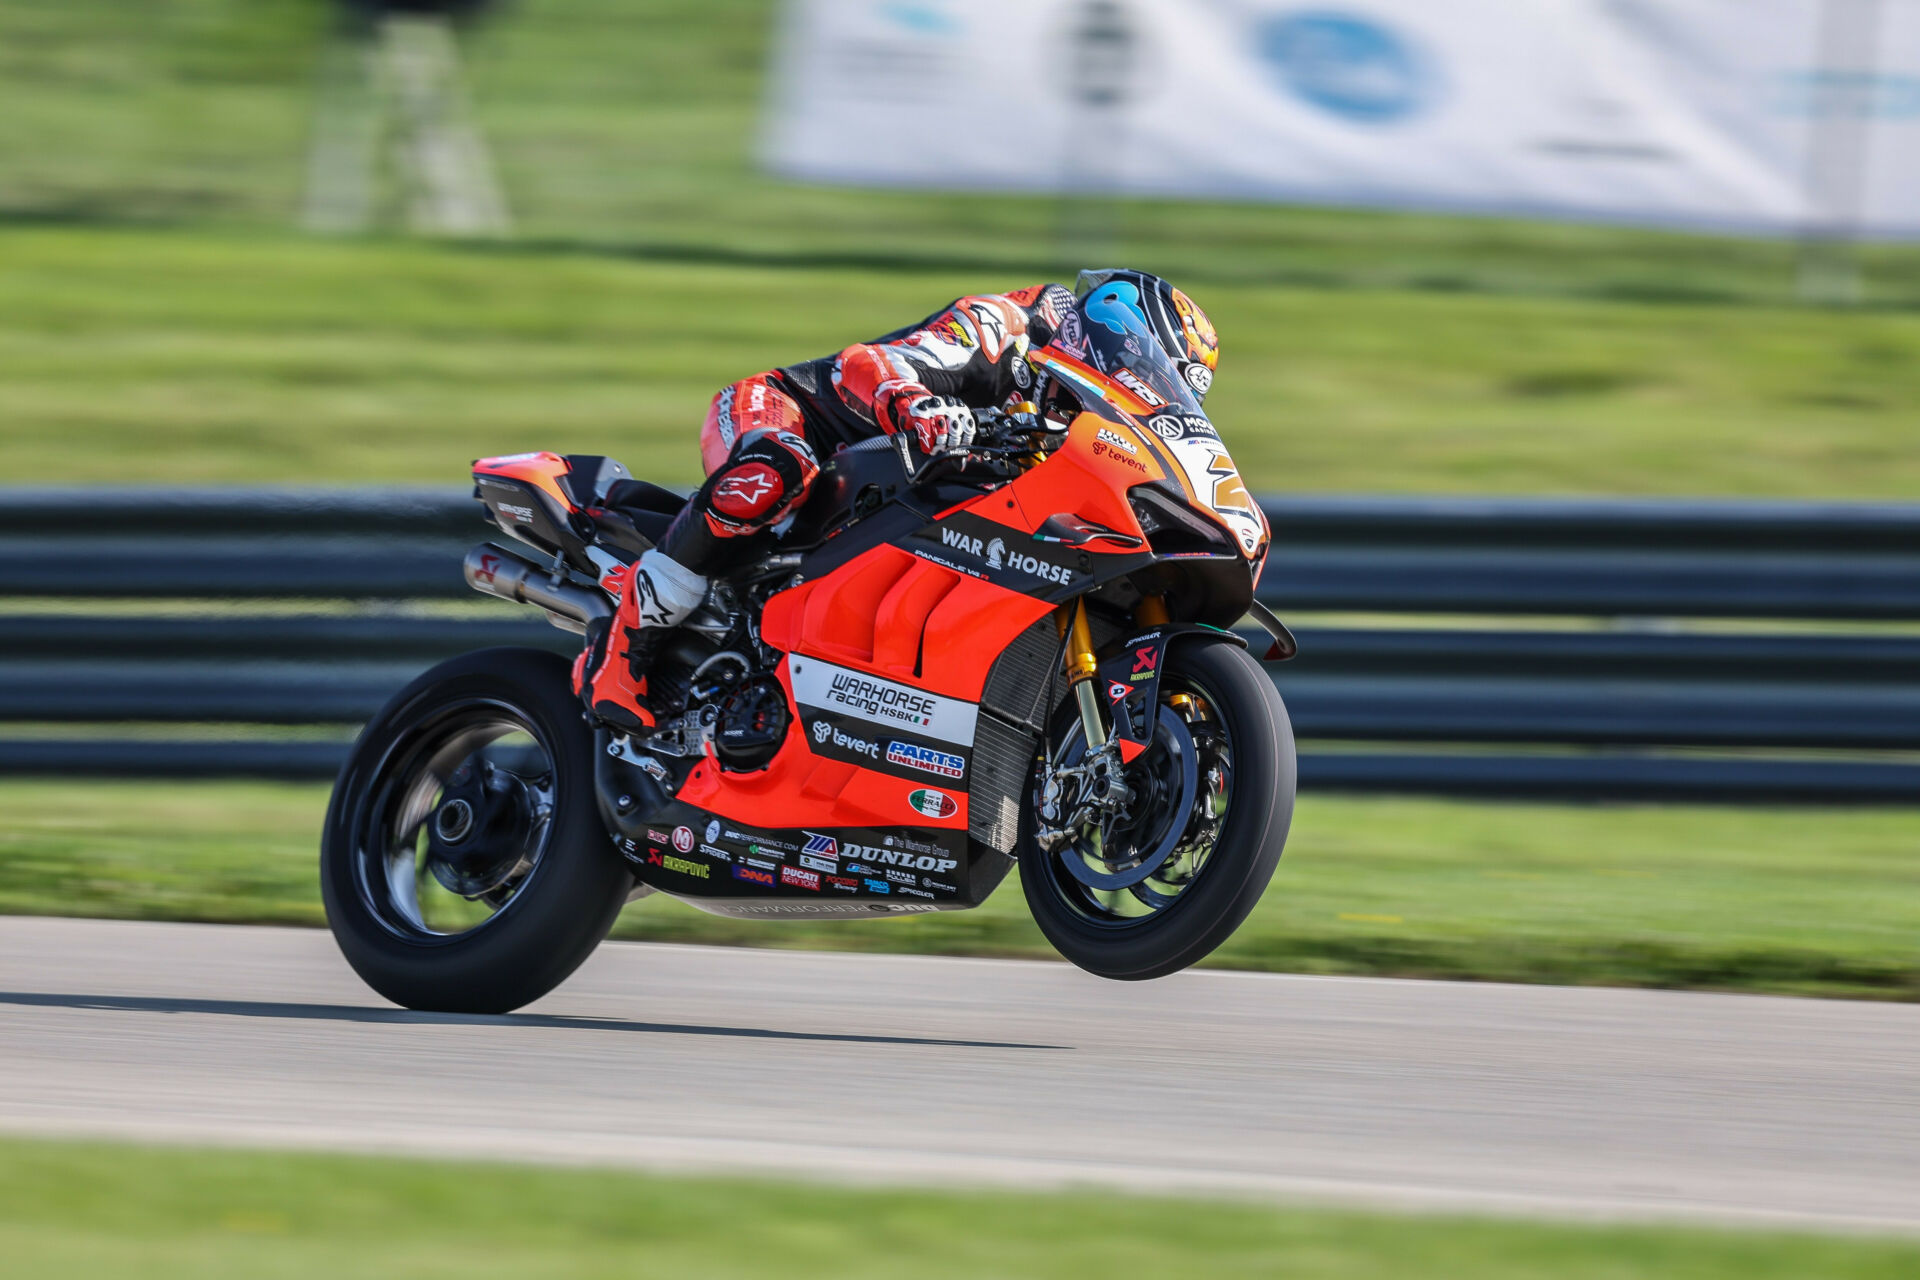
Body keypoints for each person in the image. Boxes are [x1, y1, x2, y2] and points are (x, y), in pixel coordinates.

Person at [578, 269, 1221, 731]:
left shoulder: (1078, 412)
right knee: (780, 467)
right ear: (1114, 330)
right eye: (1146, 365)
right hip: (793, 414)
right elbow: (865, 363)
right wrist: (912, 404)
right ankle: (624, 640)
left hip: (888, 496)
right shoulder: (1010, 328)